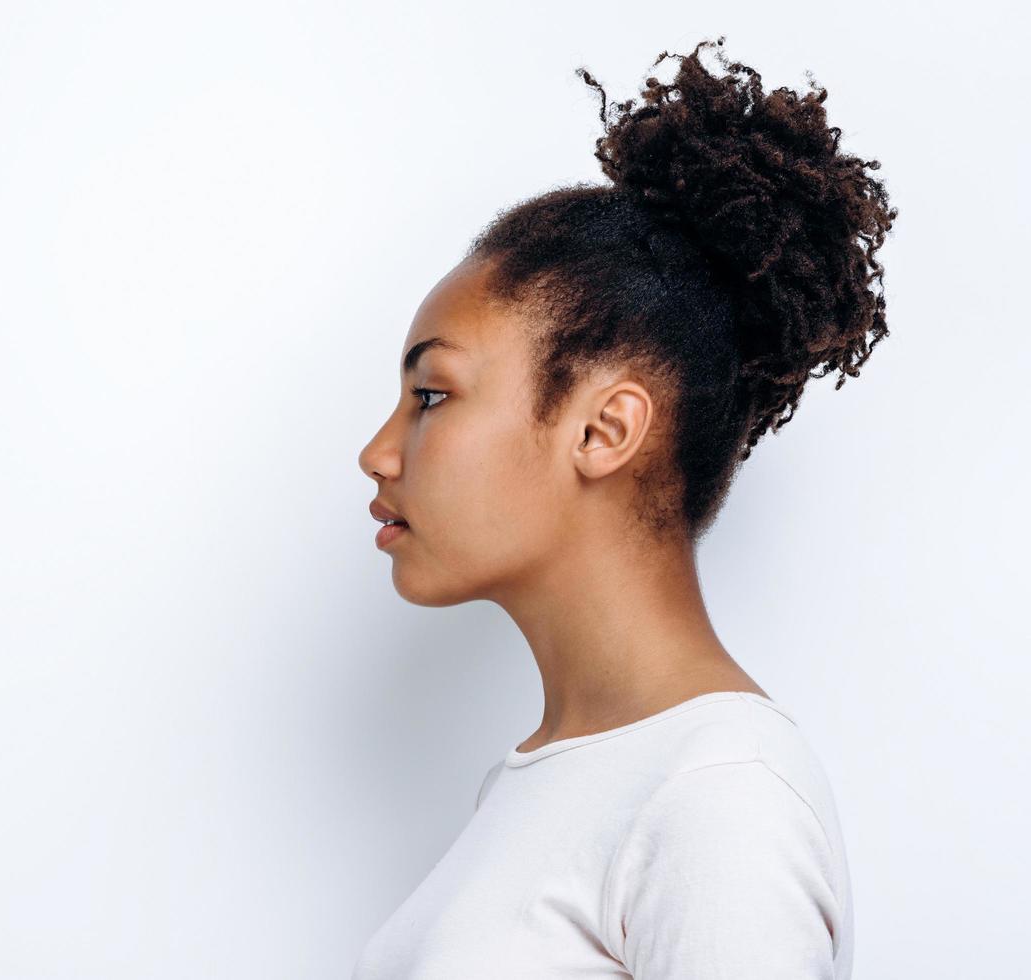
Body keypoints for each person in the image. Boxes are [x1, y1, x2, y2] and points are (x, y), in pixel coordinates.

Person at [352, 36, 895, 979]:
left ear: (603, 431)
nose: (377, 452)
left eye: (432, 395)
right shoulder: (545, 788)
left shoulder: (717, 795)